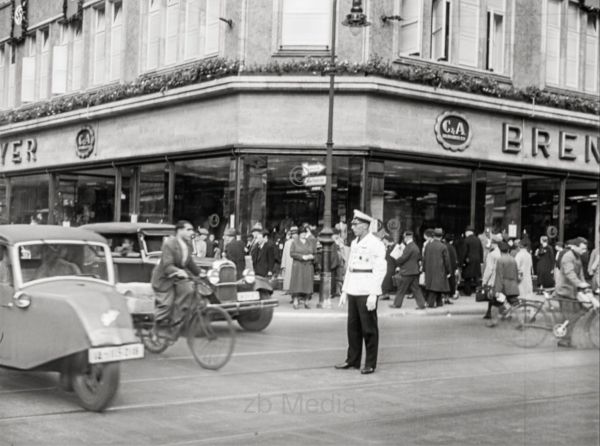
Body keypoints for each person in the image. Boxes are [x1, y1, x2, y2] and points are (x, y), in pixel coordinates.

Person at [335, 210, 386, 375]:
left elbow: (380, 269)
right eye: (352, 224)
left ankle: (370, 363)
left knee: (369, 329)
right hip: (354, 289)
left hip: (367, 289)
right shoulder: (355, 242)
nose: (352, 227)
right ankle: (353, 359)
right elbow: (350, 268)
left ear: (365, 226)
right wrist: (344, 291)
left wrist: (374, 293)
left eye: (355, 225)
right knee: (353, 328)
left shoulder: (375, 243)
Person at [151, 221, 201, 327]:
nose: (191, 232)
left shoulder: (188, 244)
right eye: (188, 230)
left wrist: (200, 272)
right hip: (165, 278)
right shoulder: (169, 244)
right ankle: (155, 327)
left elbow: (189, 262)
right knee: (166, 305)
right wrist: (179, 271)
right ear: (179, 231)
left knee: (189, 290)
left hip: (178, 279)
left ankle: (177, 319)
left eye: (192, 230)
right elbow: (167, 266)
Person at [554, 237, 591, 347]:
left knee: (579, 312)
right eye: (583, 249)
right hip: (565, 291)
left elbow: (580, 274)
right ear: (575, 247)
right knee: (570, 316)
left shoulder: (577, 256)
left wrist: (584, 285)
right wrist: (580, 284)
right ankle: (564, 340)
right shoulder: (568, 257)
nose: (584, 251)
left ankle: (568, 336)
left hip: (572, 291)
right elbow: (570, 273)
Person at [486, 241, 520, 327]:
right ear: (508, 250)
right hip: (513, 285)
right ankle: (520, 321)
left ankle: (494, 321)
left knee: (495, 304)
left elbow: (499, 276)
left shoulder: (500, 260)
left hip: (504, 287)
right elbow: (516, 274)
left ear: (500, 251)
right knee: (514, 304)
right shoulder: (513, 259)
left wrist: (497, 290)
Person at [390, 231, 426, 310]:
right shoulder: (415, 246)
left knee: (401, 289)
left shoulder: (409, 247)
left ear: (407, 237)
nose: (404, 239)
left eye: (404, 237)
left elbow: (403, 258)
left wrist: (396, 260)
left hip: (407, 272)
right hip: (414, 271)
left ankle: (397, 304)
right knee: (416, 289)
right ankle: (422, 304)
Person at [289, 224, 316, 309]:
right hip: (298, 266)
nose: (304, 234)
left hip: (308, 266)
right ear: (299, 234)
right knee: (297, 284)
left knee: (307, 284)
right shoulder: (294, 242)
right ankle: (296, 301)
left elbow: (315, 252)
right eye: (302, 233)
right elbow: (292, 253)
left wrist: (312, 256)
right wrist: (302, 257)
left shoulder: (310, 242)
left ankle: (307, 302)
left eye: (305, 233)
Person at [423, 228, 451, 308]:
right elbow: (447, 261)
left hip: (429, 270)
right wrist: (448, 271)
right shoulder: (443, 246)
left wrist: (424, 269)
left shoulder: (428, 246)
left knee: (434, 286)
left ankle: (439, 303)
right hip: (439, 270)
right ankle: (431, 304)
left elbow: (424, 258)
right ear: (441, 237)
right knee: (436, 287)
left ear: (433, 236)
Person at [481, 233, 503, 319]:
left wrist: (484, 280)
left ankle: (490, 313)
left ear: (493, 243)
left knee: (492, 296)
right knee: (497, 296)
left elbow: (489, 269)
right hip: (501, 279)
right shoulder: (502, 253)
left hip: (493, 279)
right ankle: (490, 312)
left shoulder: (492, 254)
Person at [460, 226, 483, 296]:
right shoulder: (478, 240)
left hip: (468, 261)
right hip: (477, 260)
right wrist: (481, 260)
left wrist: (462, 262)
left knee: (467, 278)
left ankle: (468, 292)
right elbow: (481, 250)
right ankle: (480, 291)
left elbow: (464, 252)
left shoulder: (466, 240)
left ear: (467, 232)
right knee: (477, 278)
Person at [380, 234, 398, 301]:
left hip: (391, 266)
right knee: (385, 280)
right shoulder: (388, 247)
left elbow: (398, 257)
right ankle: (385, 294)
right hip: (387, 266)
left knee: (386, 280)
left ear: (386, 240)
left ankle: (385, 294)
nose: (383, 242)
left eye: (384, 241)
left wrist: (398, 266)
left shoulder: (395, 247)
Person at [444, 233, 458, 304]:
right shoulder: (452, 248)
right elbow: (455, 259)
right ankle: (447, 298)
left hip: (445, 268)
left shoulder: (444, 246)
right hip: (451, 268)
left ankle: (444, 298)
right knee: (450, 284)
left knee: (445, 284)